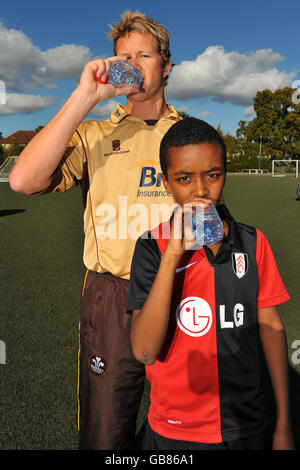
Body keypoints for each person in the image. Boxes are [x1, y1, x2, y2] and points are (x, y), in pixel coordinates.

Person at [9, 11, 181, 450]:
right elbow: (23, 180)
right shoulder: (92, 133)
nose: (134, 63)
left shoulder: (190, 134)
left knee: (186, 422)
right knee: (106, 433)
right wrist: (87, 95)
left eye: (145, 54)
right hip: (112, 295)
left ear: (167, 66)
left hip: (182, 288)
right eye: (124, 55)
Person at [127, 117, 295, 450]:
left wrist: (284, 426)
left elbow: (271, 330)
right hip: (174, 431)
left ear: (225, 174)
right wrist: (173, 255)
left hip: (246, 425)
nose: (201, 190)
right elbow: (144, 351)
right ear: (165, 182)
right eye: (184, 178)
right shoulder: (151, 246)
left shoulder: (253, 242)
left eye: (213, 175)